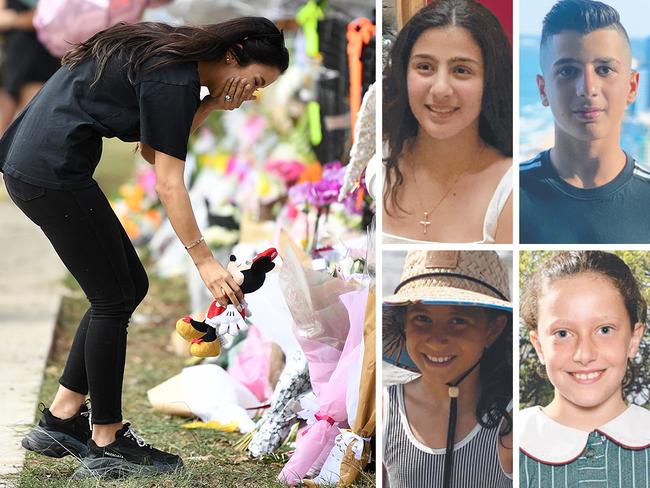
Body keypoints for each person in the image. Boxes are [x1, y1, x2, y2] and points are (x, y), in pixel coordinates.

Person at [0, 17, 288, 479]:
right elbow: (168, 181)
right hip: (49, 172)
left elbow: (154, 149)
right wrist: (205, 262)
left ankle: (61, 418)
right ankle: (107, 440)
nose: (252, 93)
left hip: (38, 164)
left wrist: (213, 103)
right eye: (255, 82)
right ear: (233, 55)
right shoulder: (174, 77)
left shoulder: (176, 65)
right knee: (113, 297)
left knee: (126, 286)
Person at [382, 0, 513, 244]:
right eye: (425, 67)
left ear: (489, 80)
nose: (441, 88)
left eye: (461, 70)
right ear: (403, 73)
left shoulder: (512, 191)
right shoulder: (379, 166)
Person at [520, 0, 650, 244]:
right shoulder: (512, 194)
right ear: (543, 89)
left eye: (604, 70)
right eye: (568, 71)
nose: (587, 89)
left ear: (632, 86)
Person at [383, 251, 512, 487]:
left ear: (493, 330)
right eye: (422, 318)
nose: (436, 340)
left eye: (458, 321)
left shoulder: (511, 422)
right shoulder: (384, 410)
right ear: (404, 324)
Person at [519, 251, 650, 486]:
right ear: (539, 345)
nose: (584, 354)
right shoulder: (513, 441)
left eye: (605, 330)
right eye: (563, 333)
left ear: (633, 339)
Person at [0, 0, 60, 133]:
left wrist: (16, 19)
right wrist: (22, 19)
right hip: (18, 52)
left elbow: (49, 17)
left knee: (36, 103)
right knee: (10, 100)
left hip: (44, 53)